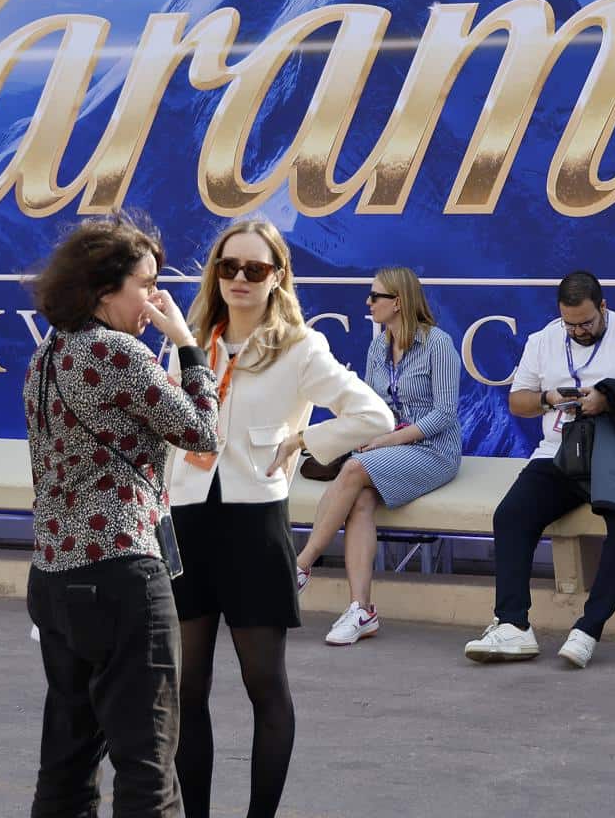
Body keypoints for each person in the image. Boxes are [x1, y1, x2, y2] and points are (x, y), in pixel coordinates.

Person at [168, 219, 393, 818]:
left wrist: (303, 438)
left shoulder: (299, 347)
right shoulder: (188, 340)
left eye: (255, 269)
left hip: (253, 531)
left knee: (264, 687)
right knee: (186, 693)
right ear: (215, 274)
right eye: (229, 267)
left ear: (277, 277)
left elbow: (373, 416)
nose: (240, 278)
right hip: (187, 526)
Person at [21, 213, 219, 818]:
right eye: (146, 284)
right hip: (120, 574)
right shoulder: (115, 352)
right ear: (103, 289)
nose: (155, 299)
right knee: (147, 764)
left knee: (67, 760)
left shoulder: (49, 356)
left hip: (55, 575)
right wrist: (188, 345)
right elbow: (202, 431)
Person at [463, 270, 615, 669]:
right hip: (558, 454)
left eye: (587, 323)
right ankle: (513, 625)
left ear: (603, 307)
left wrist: (609, 399)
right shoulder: (543, 340)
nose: (579, 331)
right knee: (512, 515)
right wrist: (548, 399)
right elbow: (517, 402)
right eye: (571, 325)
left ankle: (588, 629)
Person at [294, 265, 462, 646]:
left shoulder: (439, 344)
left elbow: (445, 414)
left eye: (375, 296)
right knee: (362, 501)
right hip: (385, 450)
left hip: (433, 450)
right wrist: (365, 434)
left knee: (354, 470)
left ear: (398, 302)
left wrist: (384, 442)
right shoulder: (377, 346)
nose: (367, 303)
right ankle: (361, 610)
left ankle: (301, 566)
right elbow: (372, 409)